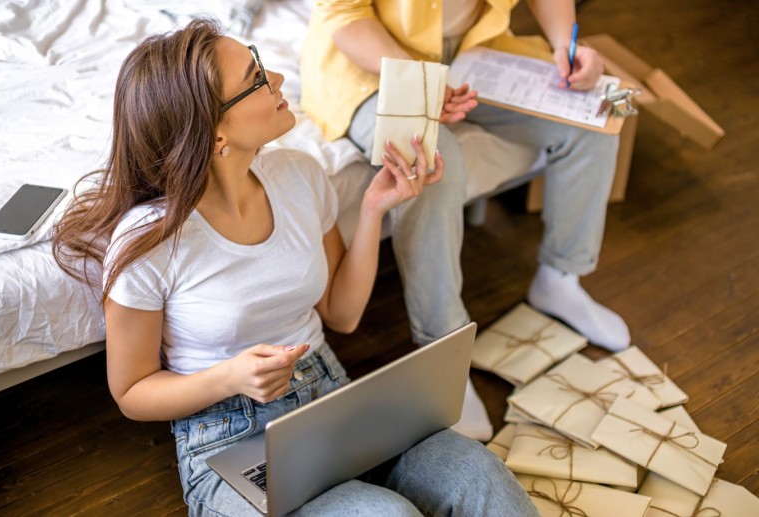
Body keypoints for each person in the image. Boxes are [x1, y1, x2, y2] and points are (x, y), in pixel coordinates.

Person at [52, 18, 538, 517]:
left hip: (331, 400)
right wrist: (231, 377)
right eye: (256, 79)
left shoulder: (300, 175)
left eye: (261, 63)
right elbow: (132, 393)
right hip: (227, 441)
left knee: (480, 474)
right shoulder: (150, 239)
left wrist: (373, 209)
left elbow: (342, 315)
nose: (278, 79)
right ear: (215, 131)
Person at [301, 0, 631, 441]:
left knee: (597, 117)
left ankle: (560, 278)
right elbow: (344, 15)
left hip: (475, 52)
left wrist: (565, 44)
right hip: (373, 63)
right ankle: (443, 348)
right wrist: (421, 82)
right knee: (435, 162)